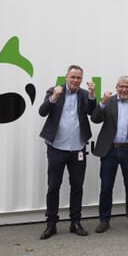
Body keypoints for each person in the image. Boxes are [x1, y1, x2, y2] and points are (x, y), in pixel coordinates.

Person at [38, 65, 96, 239]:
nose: (75, 81)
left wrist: (93, 95)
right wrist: (54, 97)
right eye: (73, 77)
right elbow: (42, 112)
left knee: (77, 186)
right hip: (56, 148)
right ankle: (51, 224)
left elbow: (92, 112)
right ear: (66, 77)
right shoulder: (54, 91)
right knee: (53, 186)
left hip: (77, 148)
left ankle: (75, 223)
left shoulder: (84, 94)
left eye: (79, 78)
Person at [91, 76, 128, 233]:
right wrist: (102, 103)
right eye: (121, 86)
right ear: (116, 87)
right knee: (106, 187)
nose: (124, 89)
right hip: (109, 150)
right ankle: (104, 220)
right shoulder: (108, 101)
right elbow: (95, 119)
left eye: (127, 87)